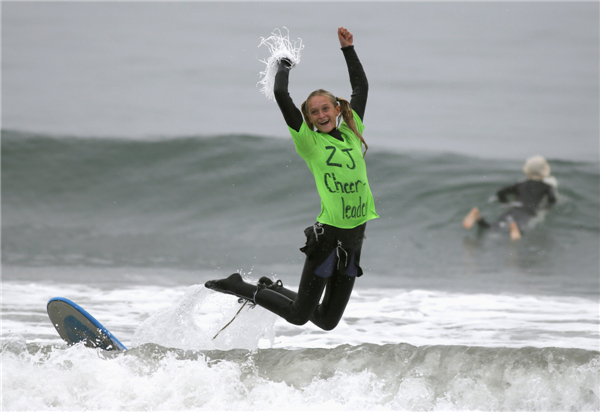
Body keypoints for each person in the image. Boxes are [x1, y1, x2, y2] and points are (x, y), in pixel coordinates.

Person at [205, 27, 379, 331]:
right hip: (328, 239)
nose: (321, 115)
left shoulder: (353, 133)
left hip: (353, 240)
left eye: (326, 108)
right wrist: (284, 64)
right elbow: (280, 94)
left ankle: (271, 286)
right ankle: (239, 286)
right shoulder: (310, 143)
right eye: (314, 112)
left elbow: (361, 87)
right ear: (309, 118)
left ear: (337, 110)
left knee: (326, 321)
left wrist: (348, 50)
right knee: (299, 316)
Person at [462, 155, 557, 240]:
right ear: (545, 171)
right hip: (528, 212)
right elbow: (552, 200)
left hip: (514, 208)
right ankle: (515, 231)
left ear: (527, 170)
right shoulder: (547, 187)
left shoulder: (520, 184)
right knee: (520, 228)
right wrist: (545, 209)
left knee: (492, 228)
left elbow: (500, 192)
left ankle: (477, 217)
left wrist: (505, 203)